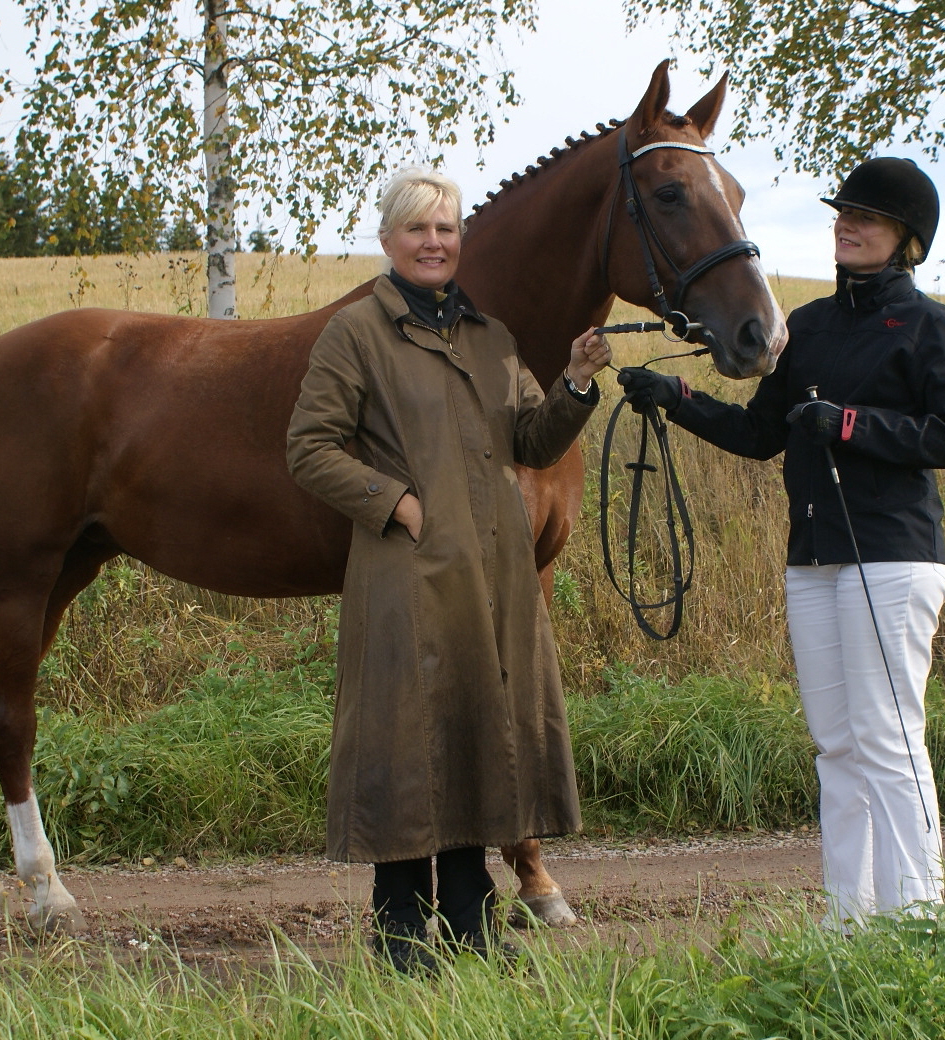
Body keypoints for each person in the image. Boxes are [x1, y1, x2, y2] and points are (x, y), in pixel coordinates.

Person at [617, 157, 945, 931]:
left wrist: (852, 425)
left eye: (868, 219)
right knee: (835, 746)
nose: (847, 227)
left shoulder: (929, 325)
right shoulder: (810, 326)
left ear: (906, 240)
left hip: (893, 555)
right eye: (843, 214)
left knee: (887, 739)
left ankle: (918, 923)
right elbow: (758, 434)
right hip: (814, 556)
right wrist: (678, 399)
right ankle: (848, 923)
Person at [287, 168, 611, 972]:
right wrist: (392, 499)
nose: (434, 243)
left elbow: (532, 441)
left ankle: (471, 925)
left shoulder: (491, 339)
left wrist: (574, 380)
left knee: (475, 740)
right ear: (389, 240)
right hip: (404, 576)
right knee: (405, 747)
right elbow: (308, 447)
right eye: (417, 230)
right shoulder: (356, 332)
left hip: (492, 579)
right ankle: (400, 933)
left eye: (446, 229)